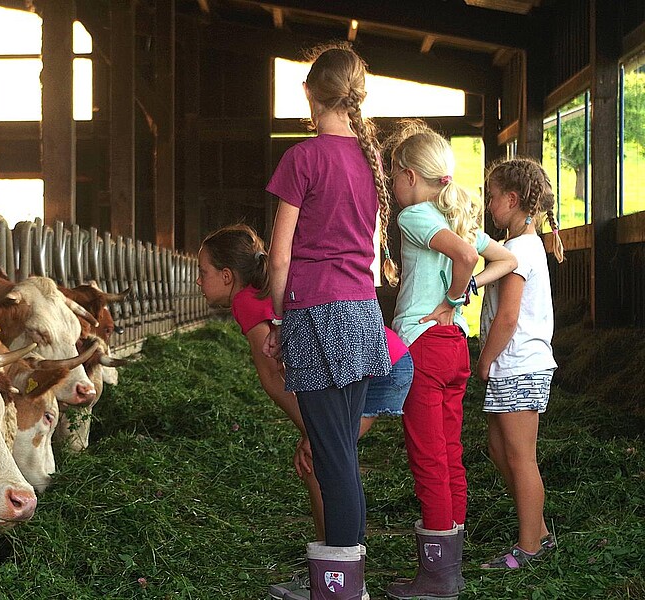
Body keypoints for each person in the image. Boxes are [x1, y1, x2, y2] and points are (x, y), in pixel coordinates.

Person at [195, 224, 413, 600]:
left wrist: (310, 433)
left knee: (321, 461)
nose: (199, 282)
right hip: (383, 360)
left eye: (203, 273)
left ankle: (334, 576)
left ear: (227, 276)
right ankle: (336, 569)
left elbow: (274, 380)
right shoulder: (258, 295)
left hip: (375, 368)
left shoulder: (246, 301)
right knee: (330, 460)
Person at [262, 41, 397, 600]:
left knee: (333, 453)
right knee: (341, 448)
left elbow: (279, 254)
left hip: (317, 316)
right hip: (362, 313)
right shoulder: (371, 160)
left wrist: (276, 320)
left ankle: (341, 587)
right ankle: (345, 577)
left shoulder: (303, 157)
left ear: (311, 95)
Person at [384, 121, 518, 600]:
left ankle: (437, 578)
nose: (393, 188)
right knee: (449, 452)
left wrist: (456, 292)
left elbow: (464, 256)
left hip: (422, 343)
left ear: (408, 176)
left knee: (427, 456)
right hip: (455, 346)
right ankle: (450, 567)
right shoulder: (458, 215)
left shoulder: (415, 215)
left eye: (394, 177)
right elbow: (506, 260)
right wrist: (466, 298)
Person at [476, 157, 564, 569]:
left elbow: (508, 317)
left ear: (512, 200)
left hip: (518, 365)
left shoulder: (518, 250)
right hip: (514, 366)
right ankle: (539, 529)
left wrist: (485, 358)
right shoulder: (521, 246)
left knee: (520, 457)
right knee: (499, 449)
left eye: (491, 197)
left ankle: (530, 545)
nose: (488, 204)